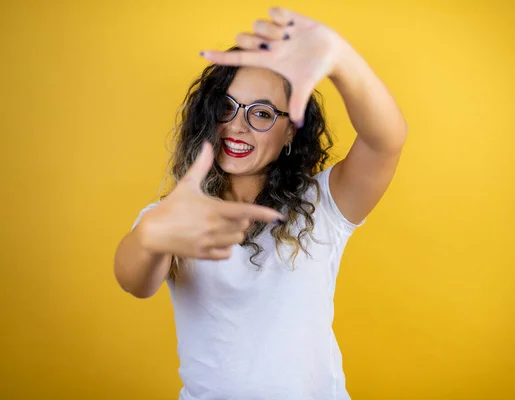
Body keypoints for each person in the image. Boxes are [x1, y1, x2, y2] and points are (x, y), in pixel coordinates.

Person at [114, 7, 408, 400]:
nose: (237, 125)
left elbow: (385, 141)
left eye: (263, 113)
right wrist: (150, 236)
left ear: (290, 131)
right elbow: (135, 282)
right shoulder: (178, 216)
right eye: (227, 108)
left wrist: (339, 59)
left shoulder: (323, 205)